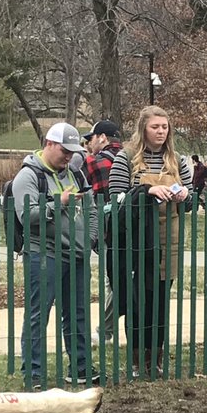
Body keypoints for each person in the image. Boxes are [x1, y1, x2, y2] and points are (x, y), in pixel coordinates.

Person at [12, 121, 98, 389]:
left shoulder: (76, 173)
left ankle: (81, 368)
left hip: (77, 255)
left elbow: (92, 209)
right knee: (39, 314)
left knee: (78, 314)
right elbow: (26, 216)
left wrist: (90, 237)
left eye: (73, 151)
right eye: (64, 150)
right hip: (43, 255)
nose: (69, 156)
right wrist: (57, 203)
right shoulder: (29, 176)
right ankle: (34, 374)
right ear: (49, 144)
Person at [108, 105, 192, 378]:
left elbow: (192, 200)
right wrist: (146, 190)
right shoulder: (126, 158)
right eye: (155, 127)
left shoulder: (177, 160)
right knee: (137, 301)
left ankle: (154, 359)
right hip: (137, 241)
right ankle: (135, 362)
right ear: (143, 128)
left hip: (169, 241)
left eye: (165, 127)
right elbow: (116, 199)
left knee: (160, 302)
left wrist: (184, 197)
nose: (161, 131)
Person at [84, 119, 123, 346]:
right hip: (134, 227)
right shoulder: (131, 159)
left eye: (92, 138)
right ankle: (107, 329)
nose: (90, 143)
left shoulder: (96, 162)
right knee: (120, 280)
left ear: (103, 138)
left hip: (109, 229)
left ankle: (104, 331)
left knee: (115, 282)